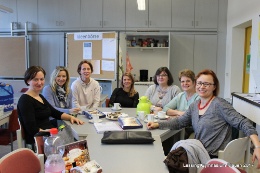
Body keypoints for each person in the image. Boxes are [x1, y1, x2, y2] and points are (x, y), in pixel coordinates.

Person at [147, 69, 260, 168]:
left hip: (211, 157)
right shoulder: (195, 105)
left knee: (171, 163)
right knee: (168, 160)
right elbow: (180, 122)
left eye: (206, 84)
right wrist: (158, 124)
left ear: (214, 87)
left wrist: (257, 146)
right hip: (198, 152)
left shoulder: (219, 104)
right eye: (199, 83)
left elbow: (243, 123)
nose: (201, 87)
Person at [17, 66, 84, 147]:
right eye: (35, 79)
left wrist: (71, 118)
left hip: (49, 135)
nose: (39, 82)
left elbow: (55, 113)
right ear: (28, 81)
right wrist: (53, 132)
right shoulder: (25, 100)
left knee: (76, 143)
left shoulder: (40, 97)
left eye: (41, 79)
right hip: (40, 140)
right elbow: (32, 130)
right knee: (75, 146)